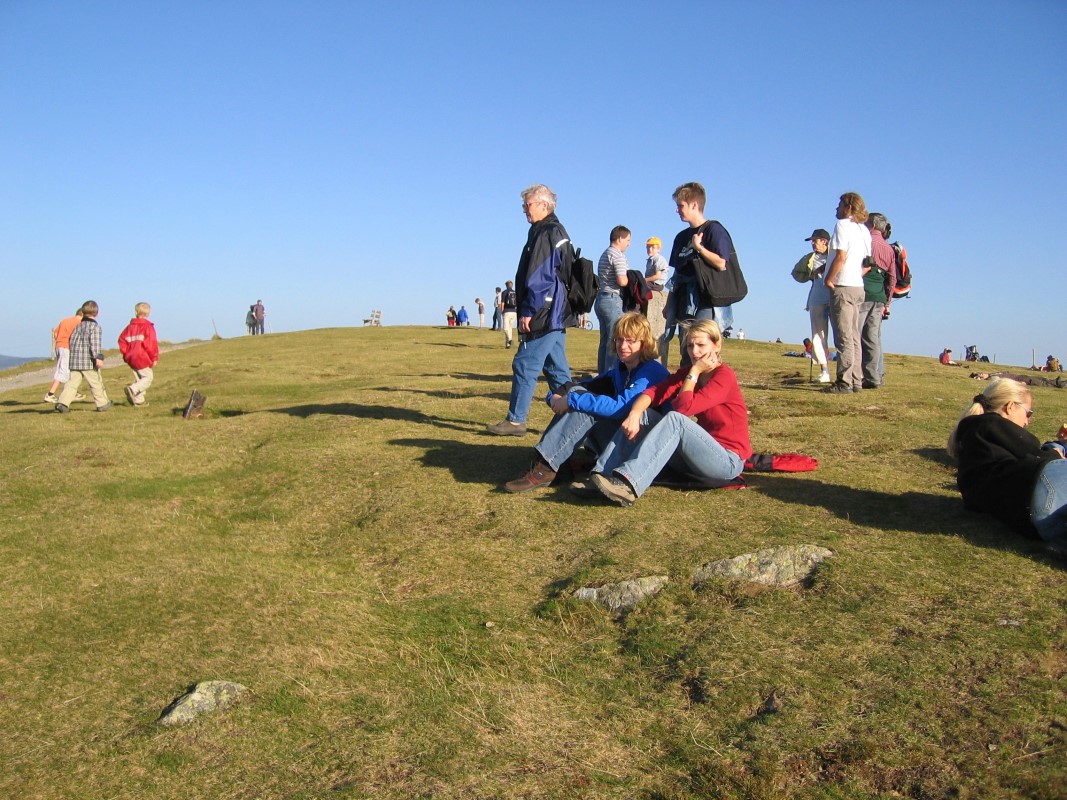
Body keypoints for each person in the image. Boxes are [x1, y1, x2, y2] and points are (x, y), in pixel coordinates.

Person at [584, 318, 751, 506]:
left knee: (675, 419)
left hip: (727, 461)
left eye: (701, 345)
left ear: (717, 345)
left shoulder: (723, 376)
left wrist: (694, 372)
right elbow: (654, 392)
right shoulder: (688, 372)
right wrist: (635, 414)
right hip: (699, 454)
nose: (694, 352)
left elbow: (683, 408)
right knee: (645, 414)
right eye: (690, 345)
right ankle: (602, 475)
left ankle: (628, 484)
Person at [503, 312, 669, 492]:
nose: (623, 346)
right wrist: (556, 397)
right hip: (625, 437)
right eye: (619, 340)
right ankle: (554, 464)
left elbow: (619, 409)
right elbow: (583, 386)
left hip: (645, 448)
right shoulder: (621, 370)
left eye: (631, 341)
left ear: (643, 343)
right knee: (579, 394)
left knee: (585, 404)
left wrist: (572, 399)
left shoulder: (651, 372)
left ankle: (546, 468)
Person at [485, 184, 574, 436]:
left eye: (528, 204)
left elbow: (540, 275)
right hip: (556, 313)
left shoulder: (547, 232)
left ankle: (515, 421)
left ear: (544, 205)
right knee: (557, 371)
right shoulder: (552, 230)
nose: (525, 209)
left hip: (545, 312)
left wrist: (529, 310)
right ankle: (578, 417)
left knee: (524, 363)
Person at [948, 377, 1067, 559]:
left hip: (1034, 520)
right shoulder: (991, 425)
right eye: (1028, 413)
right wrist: (1054, 453)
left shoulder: (971, 446)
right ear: (1010, 406)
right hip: (1043, 484)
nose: (1027, 422)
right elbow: (1033, 450)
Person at [667, 182, 739, 360]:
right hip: (684, 300)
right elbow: (676, 275)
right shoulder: (681, 237)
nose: (677, 210)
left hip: (706, 301)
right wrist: (669, 304)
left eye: (680, 205)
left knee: (702, 348)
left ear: (694, 205)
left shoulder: (714, 230)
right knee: (686, 349)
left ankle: (706, 387)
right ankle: (688, 386)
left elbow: (721, 262)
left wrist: (699, 248)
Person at [823, 192, 872, 393]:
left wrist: (829, 278)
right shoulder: (864, 231)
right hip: (858, 286)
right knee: (854, 335)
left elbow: (841, 256)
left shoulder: (842, 226)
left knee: (843, 336)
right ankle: (856, 380)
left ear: (849, 207)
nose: (837, 208)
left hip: (843, 286)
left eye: (840, 205)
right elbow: (867, 263)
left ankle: (844, 382)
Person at [859, 212, 896, 389]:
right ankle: (873, 377)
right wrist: (887, 302)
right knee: (872, 338)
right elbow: (892, 278)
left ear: (871, 225)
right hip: (879, 297)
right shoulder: (888, 248)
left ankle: (856, 376)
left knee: (855, 335)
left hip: (862, 292)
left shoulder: (867, 242)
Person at [55, 300, 112, 413]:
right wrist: (98, 357)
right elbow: (94, 344)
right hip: (88, 362)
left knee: (71, 384)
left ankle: (62, 403)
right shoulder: (94, 327)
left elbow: (71, 341)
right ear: (97, 313)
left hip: (75, 361)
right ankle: (102, 403)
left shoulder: (78, 326)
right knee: (95, 383)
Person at [792, 228, 833, 383]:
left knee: (841, 335)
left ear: (825, 241)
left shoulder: (835, 255)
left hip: (834, 296)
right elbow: (796, 272)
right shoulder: (810, 258)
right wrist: (810, 276)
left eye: (815, 241)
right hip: (817, 297)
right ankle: (825, 371)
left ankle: (846, 371)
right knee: (818, 335)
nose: (813, 244)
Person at [594, 225, 633, 374]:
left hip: (601, 298)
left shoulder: (605, 254)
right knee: (615, 341)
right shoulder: (618, 255)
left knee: (605, 341)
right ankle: (610, 376)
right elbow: (622, 280)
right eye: (628, 240)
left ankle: (602, 374)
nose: (629, 243)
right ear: (620, 238)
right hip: (612, 298)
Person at [118, 302, 159, 406]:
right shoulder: (148, 327)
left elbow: (121, 340)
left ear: (136, 312)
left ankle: (139, 400)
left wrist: (126, 354)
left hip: (131, 357)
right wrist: (154, 358)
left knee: (139, 378)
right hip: (142, 356)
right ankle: (132, 389)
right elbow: (151, 344)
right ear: (148, 313)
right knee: (148, 378)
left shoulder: (129, 327)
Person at [44, 307, 85, 403]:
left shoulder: (65, 320)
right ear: (82, 314)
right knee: (62, 371)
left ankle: (71, 392)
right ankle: (50, 394)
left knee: (68, 370)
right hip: (66, 347)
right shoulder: (78, 322)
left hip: (59, 346)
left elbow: (55, 333)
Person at [643, 236, 670, 363]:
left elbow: (657, 276)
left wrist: (644, 280)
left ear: (658, 248)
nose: (650, 249)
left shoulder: (659, 259)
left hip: (656, 284)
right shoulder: (650, 260)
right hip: (650, 283)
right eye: (648, 246)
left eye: (653, 247)